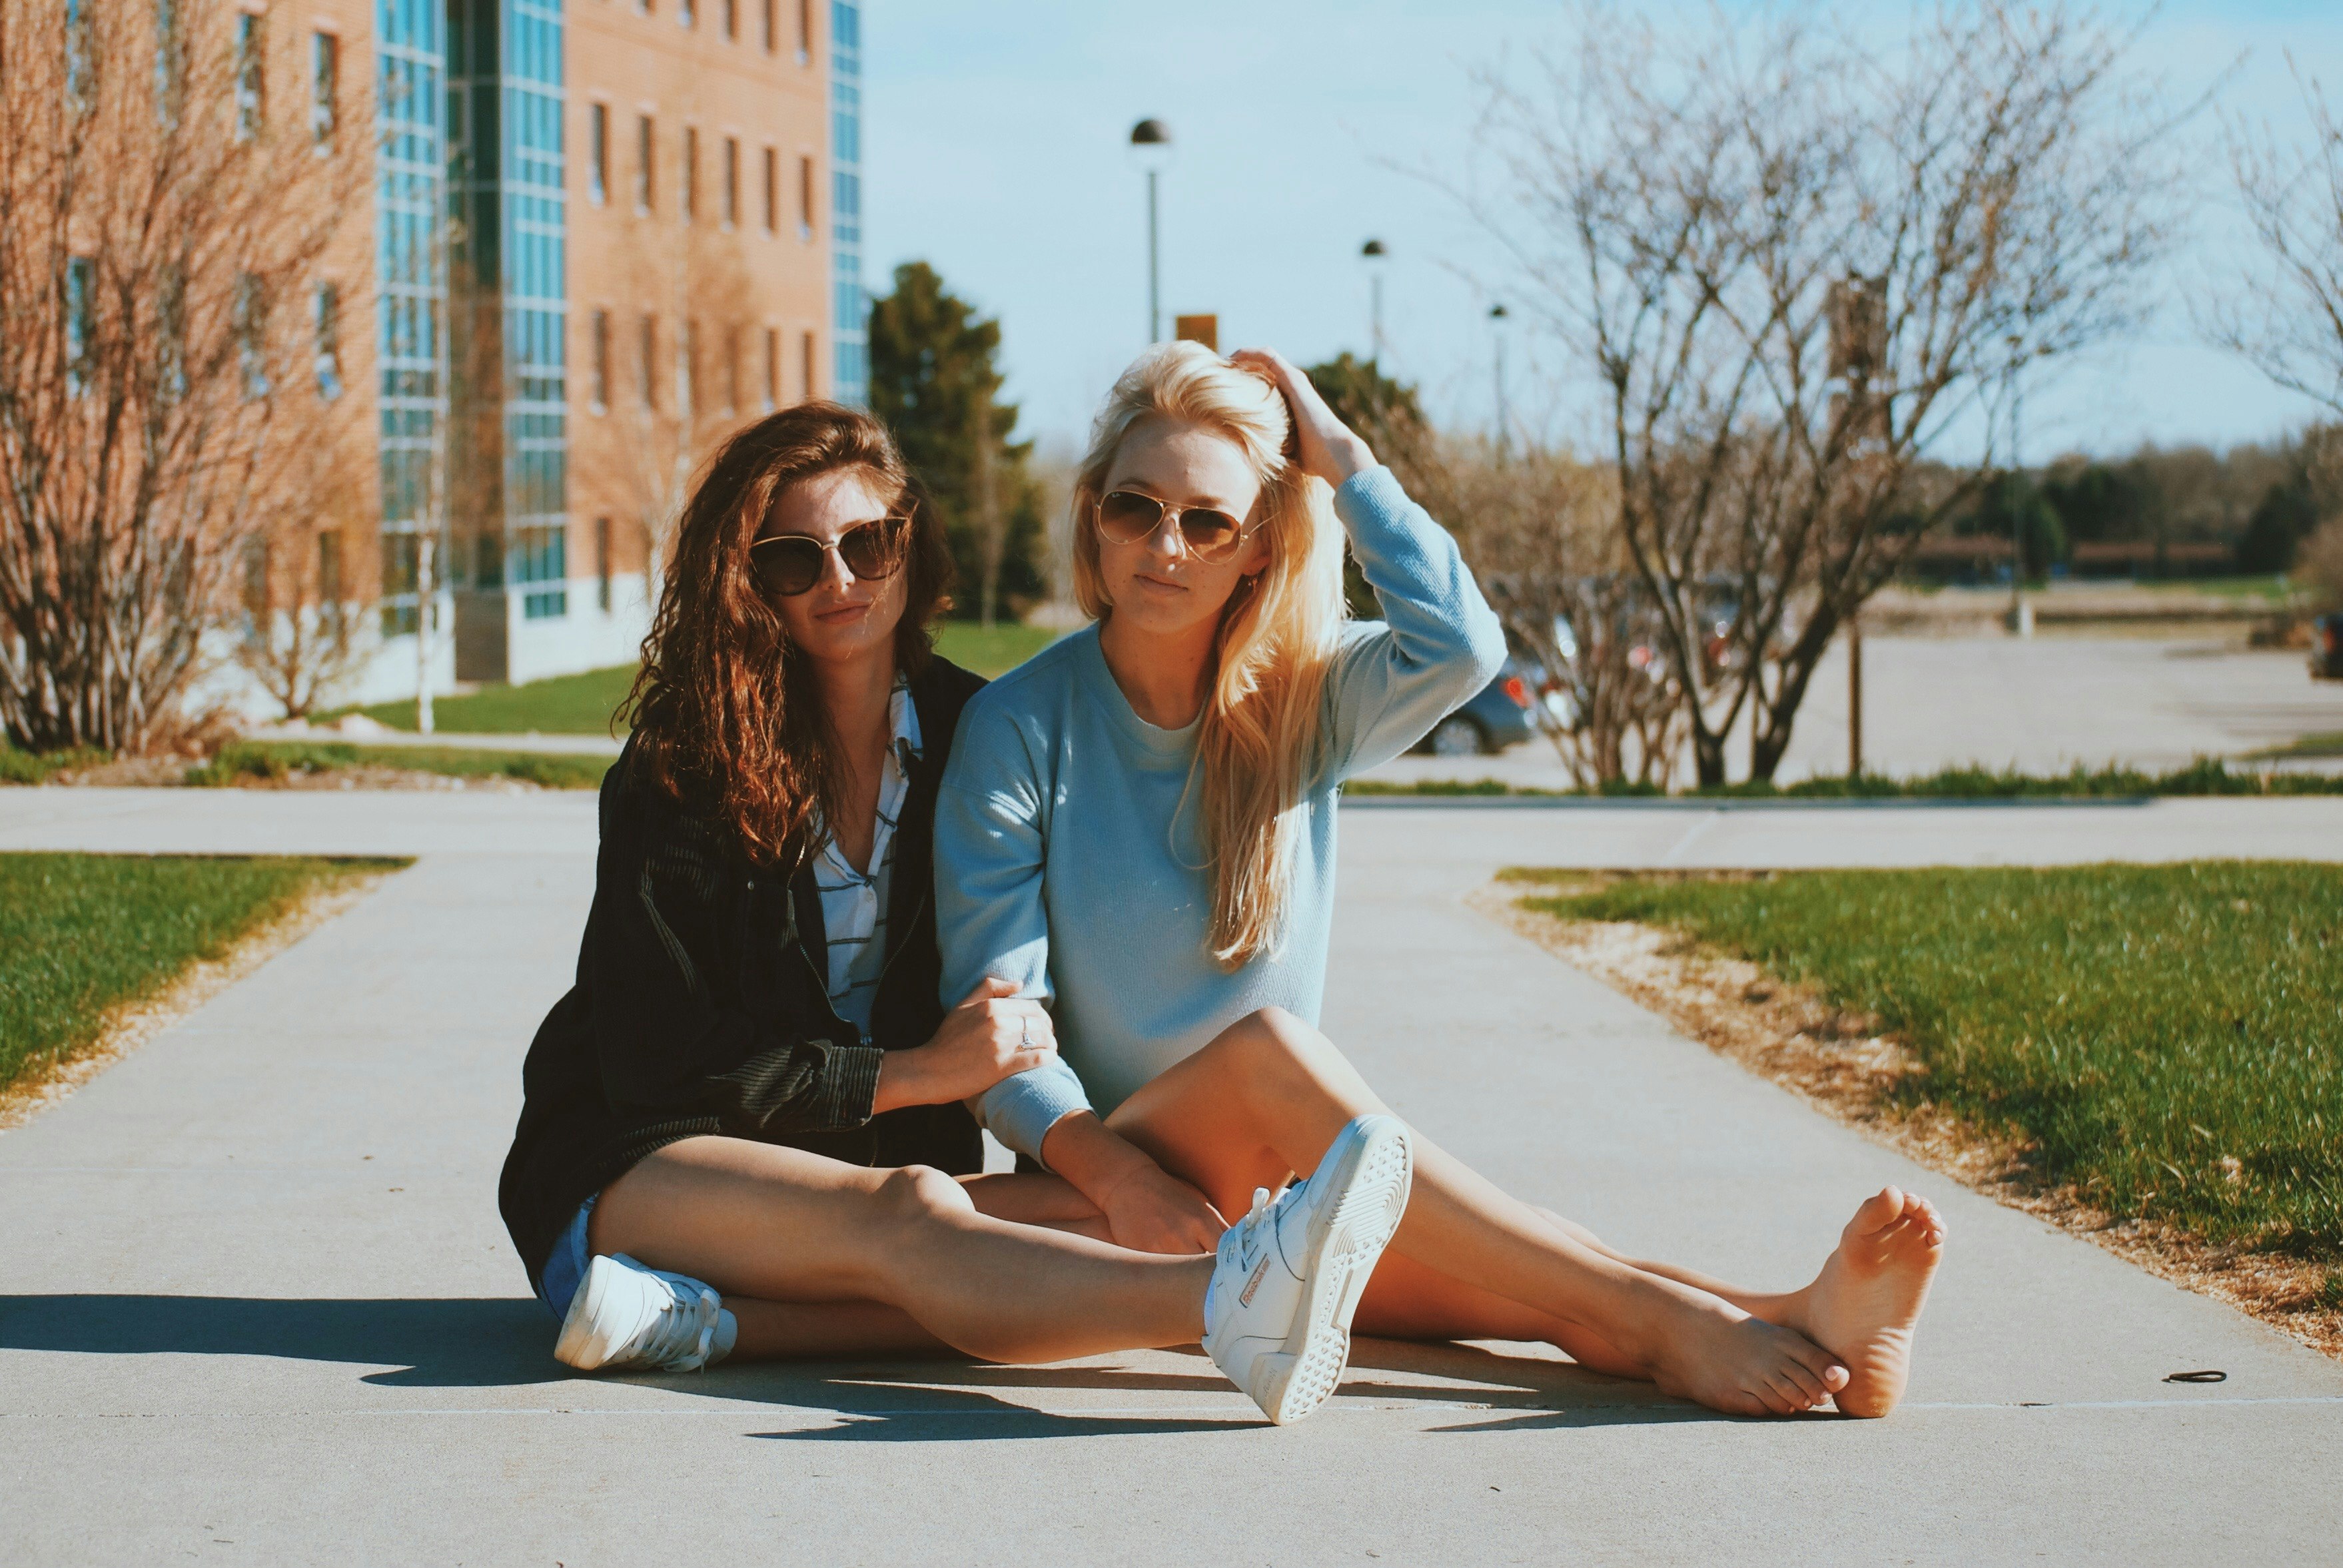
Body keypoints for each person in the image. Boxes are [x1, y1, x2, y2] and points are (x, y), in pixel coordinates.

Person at [935, 344, 1946, 1419]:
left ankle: (1798, 1317)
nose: (1164, 544)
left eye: (1207, 521)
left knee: (1532, 1290)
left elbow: (1461, 649)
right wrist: (1121, 1176)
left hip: (1279, 1178)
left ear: (1257, 546)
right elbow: (1000, 1035)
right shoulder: (1018, 726)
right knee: (1279, 1053)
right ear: (1093, 516)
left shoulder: (1307, 697)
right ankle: (1674, 1321)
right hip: (1118, 1174)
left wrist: (1346, 461)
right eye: (1135, 508)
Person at [494, 401, 1415, 1425]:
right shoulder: (682, 773)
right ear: (749, 582)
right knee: (919, 1212)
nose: (841, 580)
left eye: (868, 543)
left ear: (911, 540)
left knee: (1131, 1209)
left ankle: (698, 1321)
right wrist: (919, 1074)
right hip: (648, 1160)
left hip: (852, 1184)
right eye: (796, 560)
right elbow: (653, 1059)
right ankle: (1224, 1304)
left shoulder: (979, 731)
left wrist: (1342, 470)